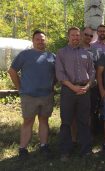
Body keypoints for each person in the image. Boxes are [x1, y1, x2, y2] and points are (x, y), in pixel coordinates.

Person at [8, 30, 55, 158]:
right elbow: (12, 71)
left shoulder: (51, 56)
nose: (40, 41)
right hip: (29, 96)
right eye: (38, 39)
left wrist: (52, 85)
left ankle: (44, 145)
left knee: (44, 121)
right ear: (33, 40)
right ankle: (23, 148)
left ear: (46, 41)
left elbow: (56, 75)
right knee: (28, 121)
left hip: (46, 95)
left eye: (43, 39)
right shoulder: (25, 55)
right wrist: (20, 88)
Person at [56, 27, 95, 161]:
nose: (76, 38)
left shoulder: (87, 53)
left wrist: (88, 86)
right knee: (66, 122)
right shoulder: (61, 52)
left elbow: (92, 73)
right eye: (73, 35)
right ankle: (65, 151)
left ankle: (86, 149)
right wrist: (73, 87)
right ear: (68, 36)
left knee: (84, 121)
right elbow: (60, 73)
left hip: (84, 91)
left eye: (78, 35)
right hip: (68, 90)